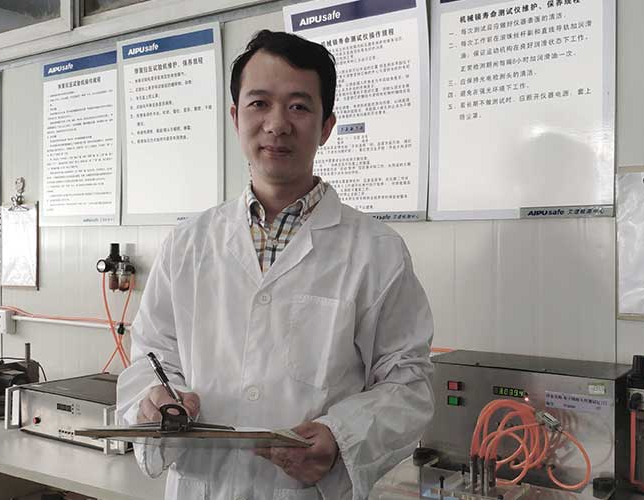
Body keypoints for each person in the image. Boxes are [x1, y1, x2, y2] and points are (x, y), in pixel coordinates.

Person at [116, 29, 434, 500]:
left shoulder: (376, 250)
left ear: (326, 126)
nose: (277, 124)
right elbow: (152, 358)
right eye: (259, 103)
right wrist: (156, 401)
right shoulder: (188, 243)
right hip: (203, 487)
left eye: (299, 106)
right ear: (235, 117)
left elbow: (408, 382)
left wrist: (341, 435)